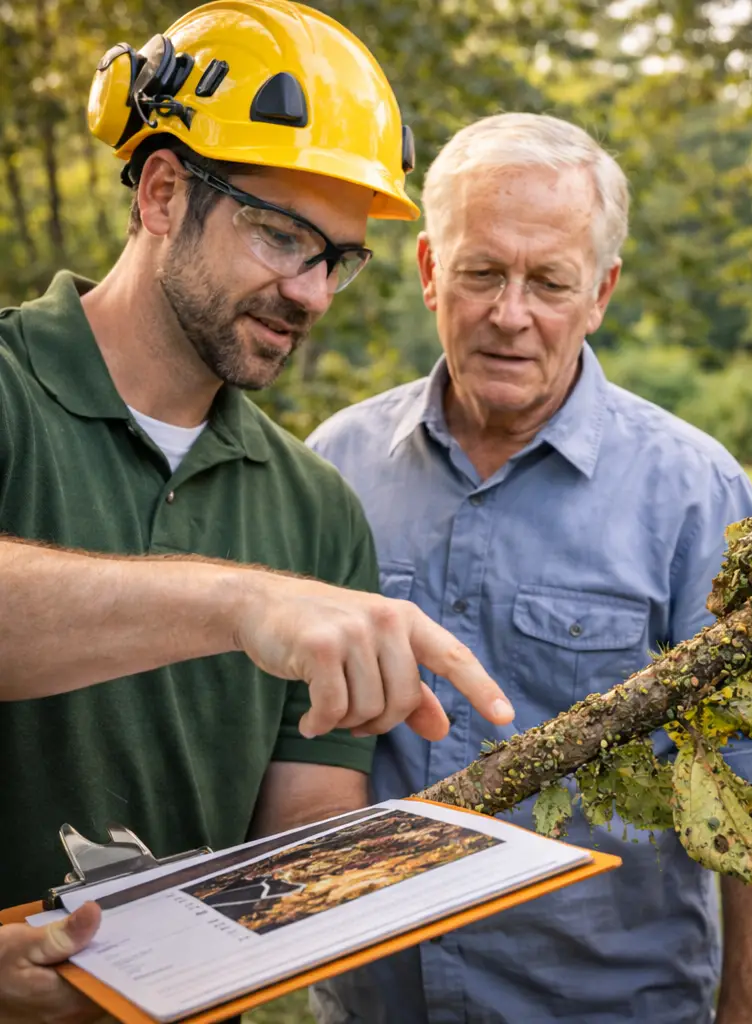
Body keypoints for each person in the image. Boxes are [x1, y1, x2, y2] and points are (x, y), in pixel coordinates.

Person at [0, 4, 514, 1022]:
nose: (313, 293)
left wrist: (407, 862)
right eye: (282, 236)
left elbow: (298, 834)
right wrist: (238, 603)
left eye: (339, 259)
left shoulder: (314, 507)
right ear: (162, 193)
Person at [307, 113, 752, 1024]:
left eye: (549, 281)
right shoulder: (333, 467)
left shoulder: (696, 495)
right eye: (481, 273)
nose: (512, 315)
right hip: (377, 1003)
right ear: (428, 270)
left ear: (601, 292)